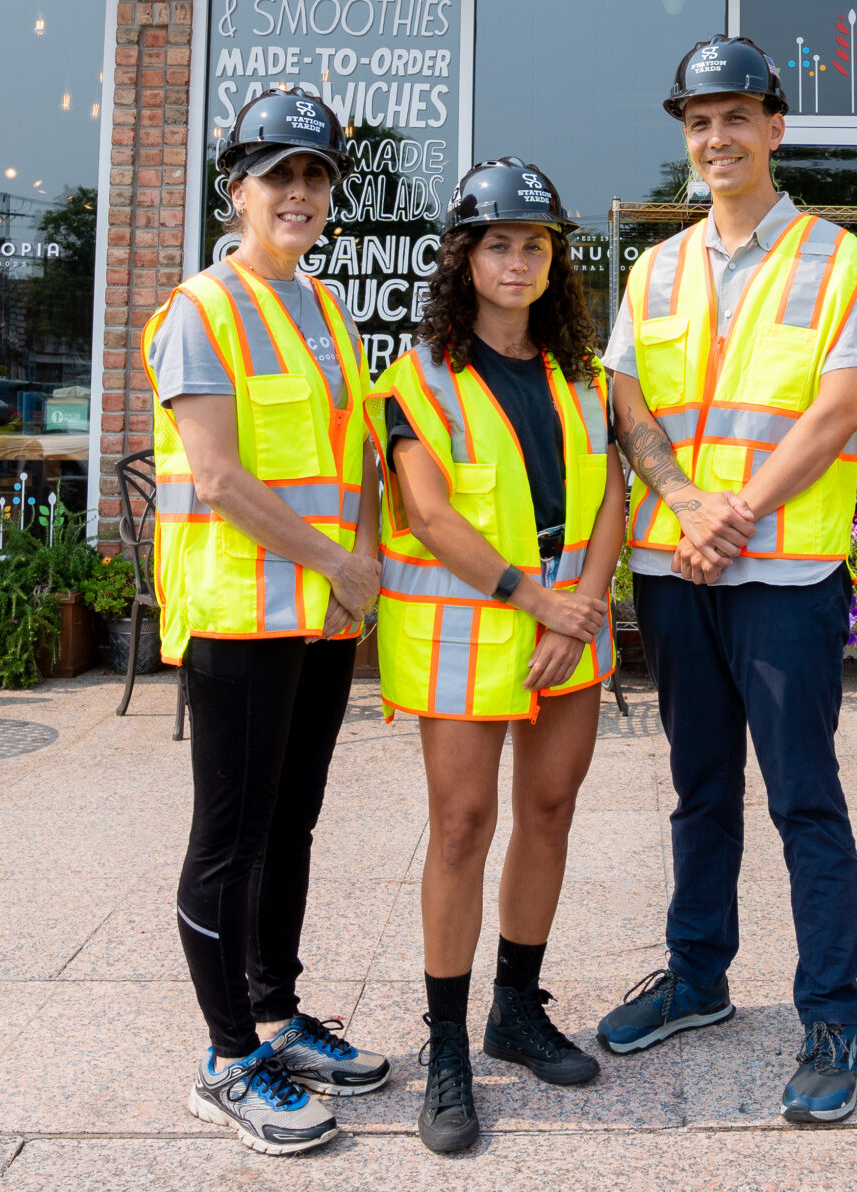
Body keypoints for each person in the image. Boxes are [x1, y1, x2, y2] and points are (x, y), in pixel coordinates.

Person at [597, 34, 857, 1126]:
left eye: (735, 117)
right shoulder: (655, 265)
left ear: (775, 126)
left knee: (804, 798)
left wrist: (740, 512)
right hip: (678, 565)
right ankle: (697, 978)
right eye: (697, 120)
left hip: (784, 573)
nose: (715, 137)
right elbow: (629, 401)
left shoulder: (841, 259)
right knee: (699, 789)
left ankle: (830, 1014)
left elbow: (834, 409)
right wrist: (682, 503)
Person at [142, 88, 393, 1158]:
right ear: (234, 191)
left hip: (322, 618)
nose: (298, 193)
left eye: (315, 176)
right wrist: (342, 561)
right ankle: (225, 1057)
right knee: (230, 839)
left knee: (290, 827)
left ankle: (278, 1016)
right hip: (243, 616)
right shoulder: (202, 310)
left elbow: (360, 454)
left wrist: (365, 559)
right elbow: (220, 477)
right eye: (276, 175)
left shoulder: (322, 308)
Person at [366, 156, 627, 1155]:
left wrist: (587, 603)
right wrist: (540, 603)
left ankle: (515, 1011)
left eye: (534, 244)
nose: (517, 261)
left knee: (549, 813)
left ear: (554, 259)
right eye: (497, 244)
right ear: (463, 258)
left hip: (568, 629)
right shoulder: (415, 378)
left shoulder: (583, 375)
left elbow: (610, 495)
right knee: (464, 825)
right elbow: (429, 516)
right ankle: (445, 1049)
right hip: (467, 633)